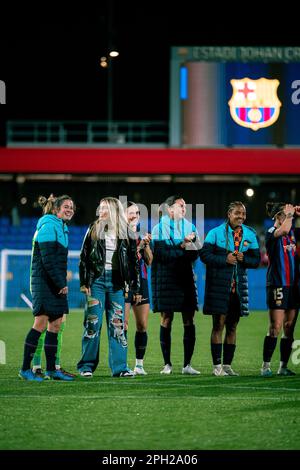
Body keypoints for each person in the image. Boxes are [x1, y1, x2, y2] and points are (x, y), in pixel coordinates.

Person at [77, 197, 142, 378]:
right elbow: (83, 257)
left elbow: (133, 262)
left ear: (114, 210)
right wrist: (84, 281)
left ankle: (120, 368)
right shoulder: (93, 228)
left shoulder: (126, 232)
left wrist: (135, 288)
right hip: (96, 282)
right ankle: (86, 366)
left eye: (105, 207)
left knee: (118, 327)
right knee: (92, 324)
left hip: (117, 284)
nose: (101, 210)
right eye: (100, 207)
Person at [200, 201, 260, 376]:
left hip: (238, 289)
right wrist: (224, 259)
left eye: (243, 214)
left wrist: (244, 259)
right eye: (237, 213)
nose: (241, 217)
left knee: (233, 326)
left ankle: (227, 366)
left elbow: (255, 260)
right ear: (229, 214)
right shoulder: (215, 233)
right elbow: (204, 255)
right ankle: (216, 366)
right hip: (219, 288)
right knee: (218, 325)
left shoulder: (250, 234)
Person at [19, 194, 76, 381]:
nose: (70, 210)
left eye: (72, 207)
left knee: (55, 325)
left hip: (55, 282)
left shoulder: (62, 227)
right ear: (56, 209)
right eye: (66, 206)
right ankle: (25, 369)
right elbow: (48, 259)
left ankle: (52, 370)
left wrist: (60, 283)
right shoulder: (48, 225)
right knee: (41, 324)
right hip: (44, 282)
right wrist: (61, 283)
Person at [151, 195, 201, 375]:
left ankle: (187, 365)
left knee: (189, 319)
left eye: (185, 206)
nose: (184, 209)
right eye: (181, 205)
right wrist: (182, 246)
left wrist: (189, 246)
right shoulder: (158, 228)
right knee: (166, 318)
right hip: (165, 279)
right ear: (170, 209)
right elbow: (162, 255)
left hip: (185, 278)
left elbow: (195, 255)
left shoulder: (190, 227)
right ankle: (167, 364)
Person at [261, 202, 300, 377]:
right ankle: (266, 366)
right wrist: (291, 215)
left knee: (289, 327)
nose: (289, 216)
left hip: (293, 286)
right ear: (277, 216)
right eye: (285, 214)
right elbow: (282, 230)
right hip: (278, 283)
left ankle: (283, 366)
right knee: (275, 326)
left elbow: (289, 228)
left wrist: (296, 213)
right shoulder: (272, 232)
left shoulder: (292, 232)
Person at [123, 201, 153, 375]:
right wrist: (139, 248)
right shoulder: (119, 234)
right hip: (125, 282)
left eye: (137, 213)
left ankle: (139, 365)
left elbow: (149, 261)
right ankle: (122, 363)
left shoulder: (141, 234)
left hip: (141, 281)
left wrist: (146, 245)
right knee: (123, 325)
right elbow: (124, 261)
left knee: (142, 325)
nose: (134, 216)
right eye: (130, 212)